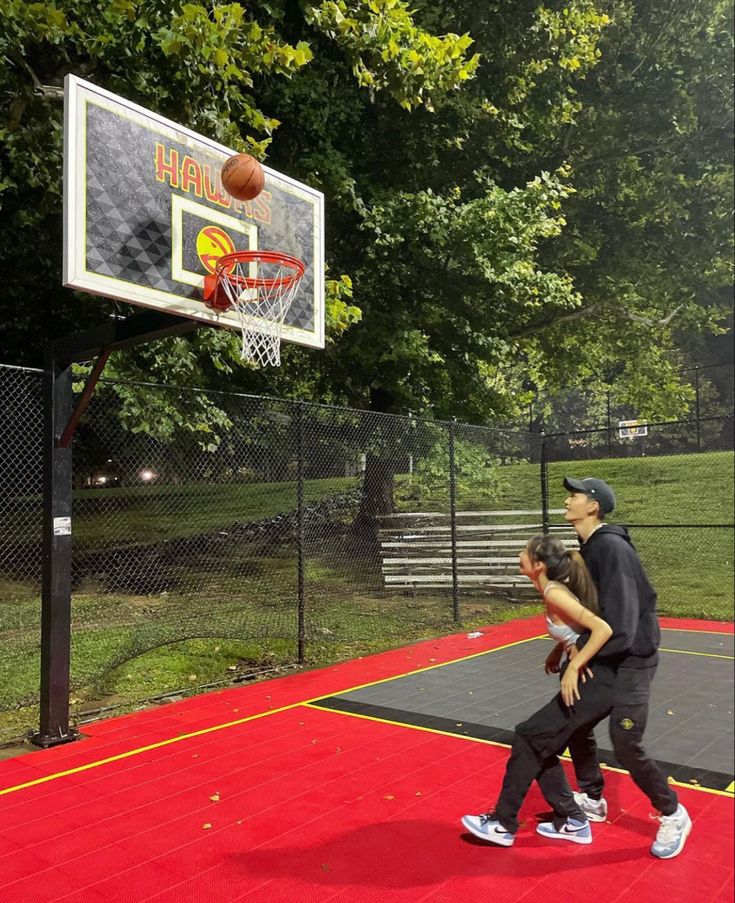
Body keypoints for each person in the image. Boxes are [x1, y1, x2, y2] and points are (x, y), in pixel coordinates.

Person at [559, 476, 692, 860]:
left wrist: (580, 657)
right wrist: (569, 645)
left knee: (625, 741)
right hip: (607, 653)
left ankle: (672, 812)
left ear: (593, 506)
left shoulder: (611, 549)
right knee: (576, 721)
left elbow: (622, 622)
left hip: (631, 658)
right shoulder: (590, 547)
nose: (567, 501)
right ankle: (593, 797)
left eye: (574, 496)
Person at [461, 534, 614, 847]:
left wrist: (573, 665)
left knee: (529, 737)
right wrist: (561, 649)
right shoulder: (550, 591)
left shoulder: (555, 592)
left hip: (592, 684)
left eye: (525, 552)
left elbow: (602, 629)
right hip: (588, 683)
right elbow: (576, 629)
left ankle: (505, 824)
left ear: (539, 564)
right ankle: (572, 819)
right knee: (537, 743)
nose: (520, 554)